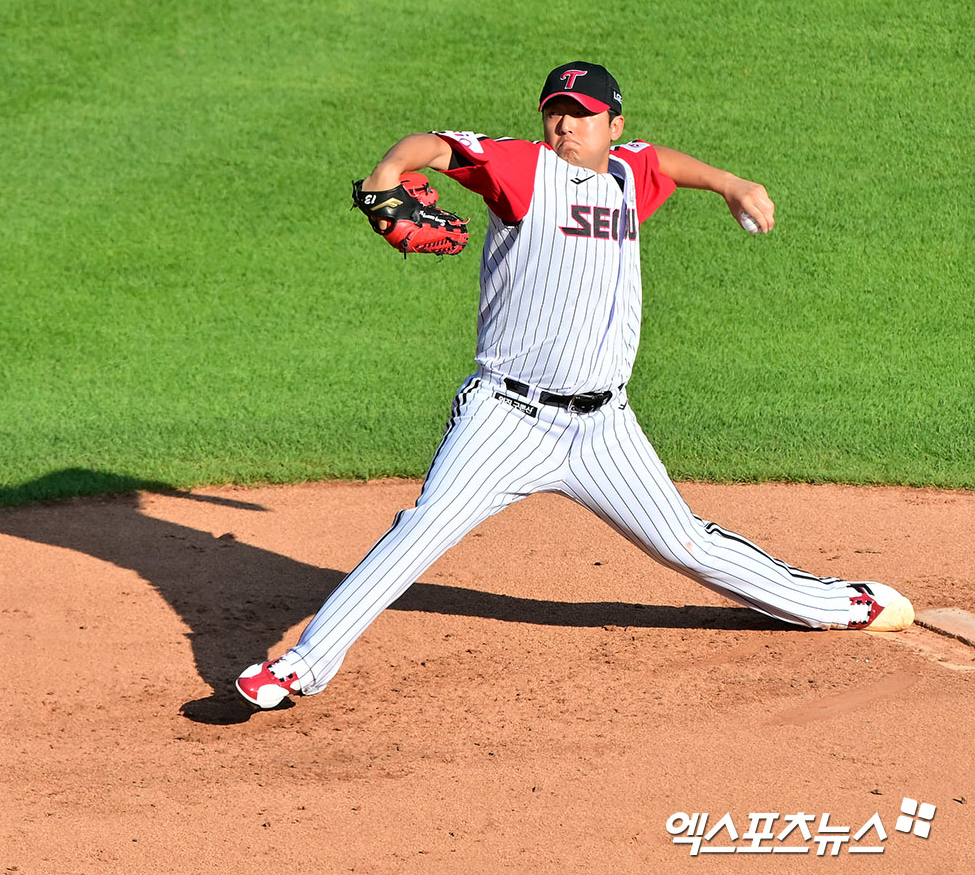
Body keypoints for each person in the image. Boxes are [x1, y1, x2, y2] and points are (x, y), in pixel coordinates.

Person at [235, 60, 913, 710]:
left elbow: (664, 161)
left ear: (613, 124)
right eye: (556, 113)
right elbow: (435, 147)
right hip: (507, 419)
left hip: (603, 429)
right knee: (422, 529)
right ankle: (301, 664)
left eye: (582, 115)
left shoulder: (628, 172)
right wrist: (389, 169)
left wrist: (732, 182)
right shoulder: (522, 169)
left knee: (685, 544)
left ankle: (841, 604)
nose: (566, 126)